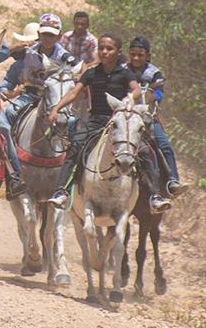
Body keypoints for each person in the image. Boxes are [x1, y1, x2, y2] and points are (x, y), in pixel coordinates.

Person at [45, 34, 170, 213]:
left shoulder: (125, 73)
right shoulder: (91, 73)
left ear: (118, 52)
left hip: (119, 121)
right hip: (96, 120)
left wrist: (129, 98)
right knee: (75, 147)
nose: (104, 51)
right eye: (101, 48)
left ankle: (155, 195)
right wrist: (56, 109)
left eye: (109, 49)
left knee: (143, 150)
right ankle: (62, 191)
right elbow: (74, 93)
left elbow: (135, 89)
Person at [0, 14, 77, 198]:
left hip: (56, 100)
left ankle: (72, 174)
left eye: (52, 35)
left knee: (73, 124)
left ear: (59, 36)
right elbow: (5, 80)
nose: (48, 38)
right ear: (40, 34)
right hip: (30, 95)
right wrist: (10, 92)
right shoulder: (28, 54)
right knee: (4, 119)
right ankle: (12, 171)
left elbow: (78, 68)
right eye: (45, 34)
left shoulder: (64, 56)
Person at [126, 36, 187, 197]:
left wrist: (153, 96)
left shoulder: (154, 73)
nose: (136, 58)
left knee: (164, 144)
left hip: (147, 118)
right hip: (124, 117)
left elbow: (159, 92)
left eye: (140, 55)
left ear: (148, 56)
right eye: (133, 54)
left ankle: (172, 181)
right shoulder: (123, 69)